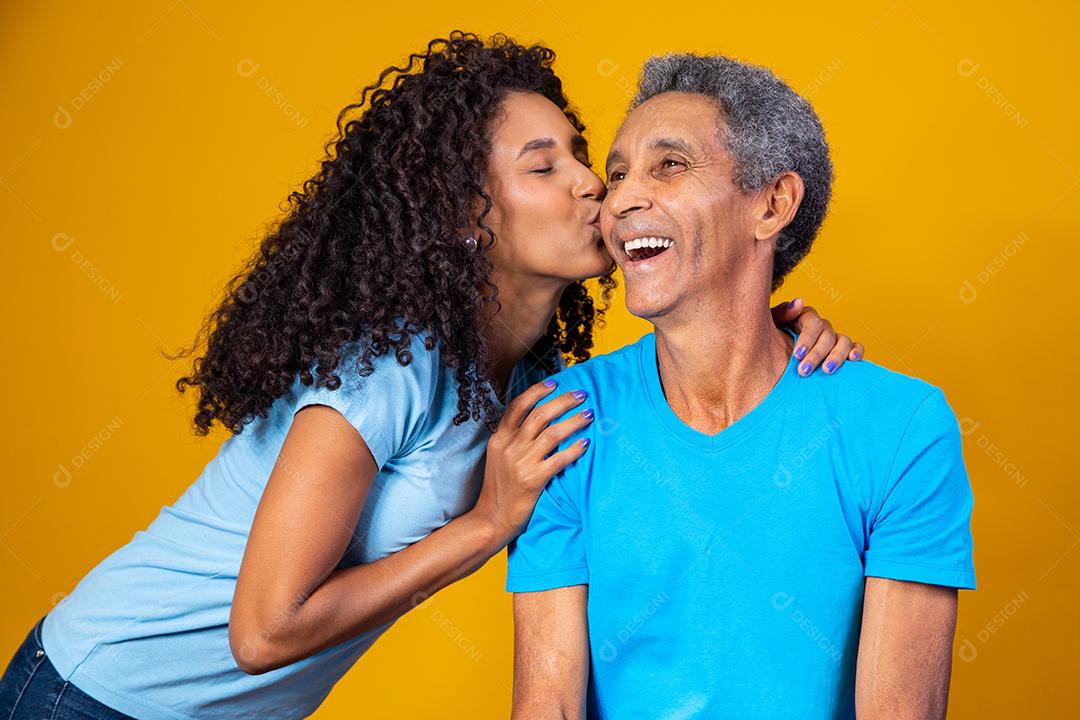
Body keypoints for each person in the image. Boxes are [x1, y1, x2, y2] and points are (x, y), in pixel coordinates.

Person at [0, 34, 861, 719]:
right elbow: (262, 632)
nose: (594, 183)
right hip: (88, 694)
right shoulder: (389, 367)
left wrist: (772, 338)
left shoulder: (531, 382)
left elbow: (676, 411)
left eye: (580, 155)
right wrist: (487, 523)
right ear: (464, 216)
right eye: (543, 166)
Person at [507, 52, 975, 720]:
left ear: (773, 204)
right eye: (616, 175)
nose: (623, 198)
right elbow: (546, 707)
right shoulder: (563, 422)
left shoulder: (900, 426)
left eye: (668, 165)